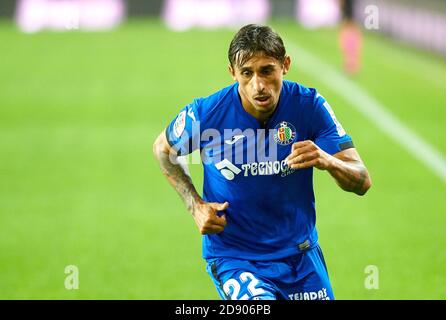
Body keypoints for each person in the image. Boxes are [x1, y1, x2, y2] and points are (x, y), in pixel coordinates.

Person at [153, 24, 371, 300]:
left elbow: (362, 181)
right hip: (236, 258)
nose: (259, 85)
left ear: (285, 65)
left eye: (267, 70)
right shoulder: (207, 114)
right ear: (233, 73)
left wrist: (329, 161)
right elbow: (163, 149)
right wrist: (194, 205)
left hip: (300, 256)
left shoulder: (309, 106)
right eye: (247, 73)